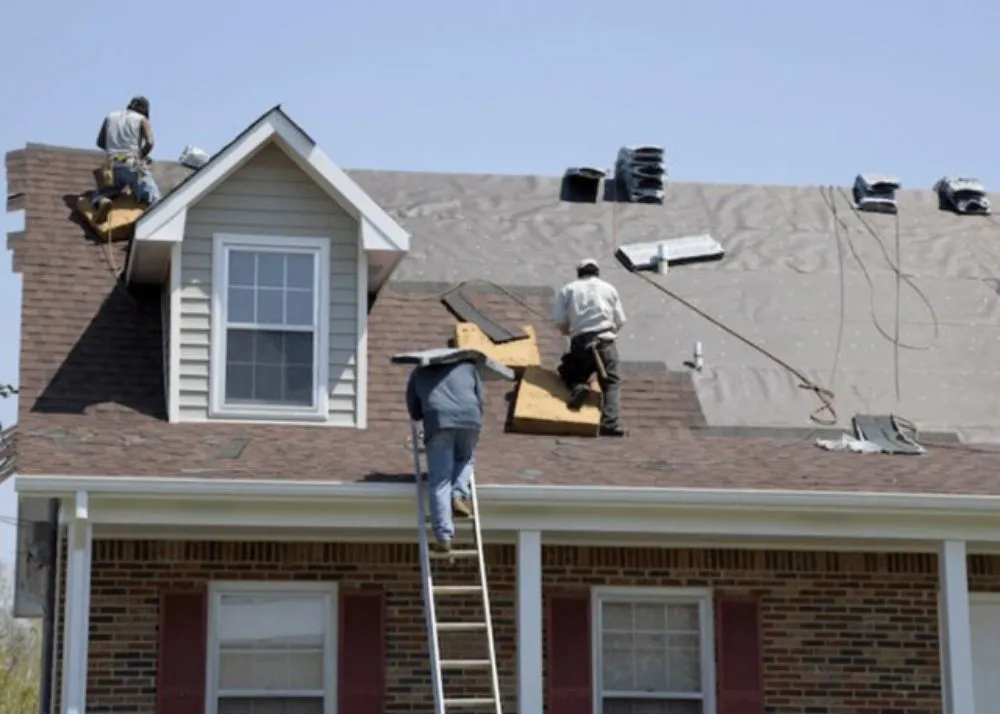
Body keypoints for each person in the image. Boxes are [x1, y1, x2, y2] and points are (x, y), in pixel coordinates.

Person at [406, 360, 485, 554]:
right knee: (465, 458)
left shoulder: (419, 371)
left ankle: (444, 536)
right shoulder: (468, 367)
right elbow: (480, 399)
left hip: (439, 421)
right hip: (470, 419)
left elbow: (415, 412)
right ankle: (459, 494)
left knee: (440, 481)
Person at [552, 258, 628, 437]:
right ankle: (609, 422)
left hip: (581, 342)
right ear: (597, 272)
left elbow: (559, 321)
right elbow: (621, 320)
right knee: (611, 382)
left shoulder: (569, 289)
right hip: (605, 342)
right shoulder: (609, 289)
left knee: (569, 371)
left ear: (579, 273)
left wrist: (569, 331)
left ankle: (578, 387)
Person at [88, 96, 162, 223]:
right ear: (144, 111)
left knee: (102, 193)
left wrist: (116, 151)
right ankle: (149, 226)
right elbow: (150, 143)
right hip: (131, 164)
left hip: (112, 167)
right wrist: (141, 155)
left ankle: (103, 201)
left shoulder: (110, 117)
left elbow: (100, 142)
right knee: (155, 199)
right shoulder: (141, 119)